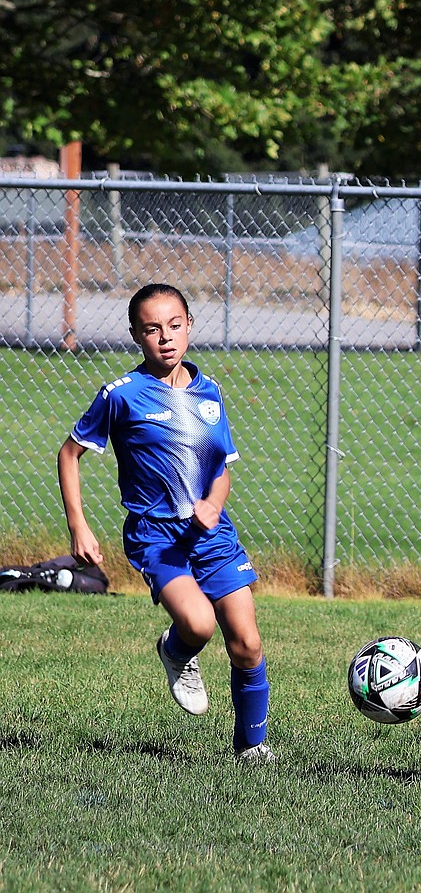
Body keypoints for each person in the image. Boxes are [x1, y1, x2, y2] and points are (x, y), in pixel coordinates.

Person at [57, 283, 273, 764]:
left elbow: (220, 472)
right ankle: (177, 651)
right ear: (135, 334)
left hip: (212, 535)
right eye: (152, 329)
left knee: (248, 643)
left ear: (190, 326)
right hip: (156, 537)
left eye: (174, 325)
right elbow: (69, 454)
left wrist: (214, 505)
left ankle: (251, 748)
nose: (166, 337)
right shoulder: (122, 396)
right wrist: (79, 525)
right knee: (198, 624)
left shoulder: (210, 393)